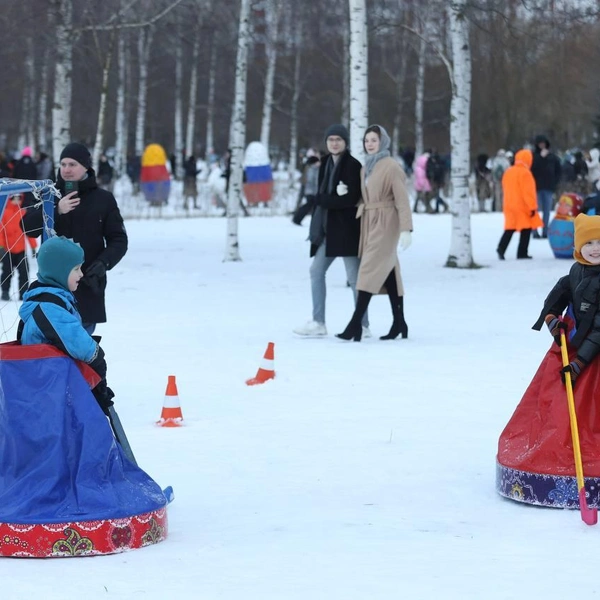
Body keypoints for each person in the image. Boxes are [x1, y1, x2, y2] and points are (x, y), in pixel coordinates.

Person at [497, 213, 600, 508]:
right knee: (554, 407)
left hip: (591, 355)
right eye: (589, 242)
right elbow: (554, 301)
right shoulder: (575, 273)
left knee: (588, 413)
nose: (595, 248)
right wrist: (552, 319)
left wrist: (580, 363)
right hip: (571, 350)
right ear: (579, 246)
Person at [22, 142, 128, 334]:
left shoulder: (103, 199)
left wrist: (103, 264)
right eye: (63, 164)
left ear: (86, 167)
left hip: (87, 283)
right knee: (52, 349)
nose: (66, 170)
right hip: (51, 287)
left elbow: (119, 240)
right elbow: (26, 228)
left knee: (80, 350)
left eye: (72, 164)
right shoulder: (47, 194)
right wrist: (56, 210)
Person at [18, 236, 114, 416]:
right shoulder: (49, 308)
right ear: (60, 272)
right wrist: (99, 373)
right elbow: (83, 347)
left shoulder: (53, 298)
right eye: (76, 269)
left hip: (51, 385)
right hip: (48, 389)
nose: (81, 274)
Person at [336, 124, 412, 342]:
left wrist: (406, 228)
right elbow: (367, 197)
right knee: (389, 271)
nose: (369, 144)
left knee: (367, 269)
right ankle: (399, 322)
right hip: (370, 222)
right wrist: (348, 193)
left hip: (387, 223)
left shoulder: (391, 167)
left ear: (383, 143)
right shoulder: (366, 167)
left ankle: (355, 324)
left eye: (374, 140)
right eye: (367, 140)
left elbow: (402, 200)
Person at [293, 124, 369, 337]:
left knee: (355, 279)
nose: (334, 143)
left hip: (346, 231)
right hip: (327, 230)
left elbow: (350, 199)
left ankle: (362, 325)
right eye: (330, 139)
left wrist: (322, 200)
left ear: (345, 142)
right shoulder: (325, 163)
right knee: (316, 271)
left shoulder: (353, 165)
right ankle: (319, 323)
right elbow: (325, 195)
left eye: (338, 139)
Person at [496, 148, 543, 260]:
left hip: (509, 204)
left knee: (510, 228)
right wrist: (532, 207)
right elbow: (528, 193)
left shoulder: (508, 171)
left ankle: (501, 248)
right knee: (526, 229)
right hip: (522, 206)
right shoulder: (526, 173)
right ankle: (522, 252)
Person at [0, 194, 33, 300]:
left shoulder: (23, 212)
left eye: (19, 198)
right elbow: (0, 231)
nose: (16, 200)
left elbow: (28, 231)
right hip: (7, 250)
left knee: (24, 272)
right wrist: (1, 246)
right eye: (14, 198)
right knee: (6, 272)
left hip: (21, 249)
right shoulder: (4, 213)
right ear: (10, 199)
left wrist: (33, 246)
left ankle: (24, 293)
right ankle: (5, 291)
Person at [531, 134, 561, 238]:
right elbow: (532, 168)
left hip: (548, 187)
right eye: (540, 144)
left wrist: (555, 183)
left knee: (547, 211)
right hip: (536, 187)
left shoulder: (552, 157)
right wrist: (540, 157)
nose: (542, 145)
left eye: (543, 143)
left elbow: (558, 171)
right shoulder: (533, 156)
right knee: (535, 210)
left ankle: (545, 231)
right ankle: (535, 231)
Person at [292, 153, 320, 225]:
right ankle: (297, 218)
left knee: (310, 206)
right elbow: (312, 181)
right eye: (318, 162)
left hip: (310, 191)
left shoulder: (312, 169)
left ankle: (297, 218)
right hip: (311, 192)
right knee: (309, 206)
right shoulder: (313, 169)